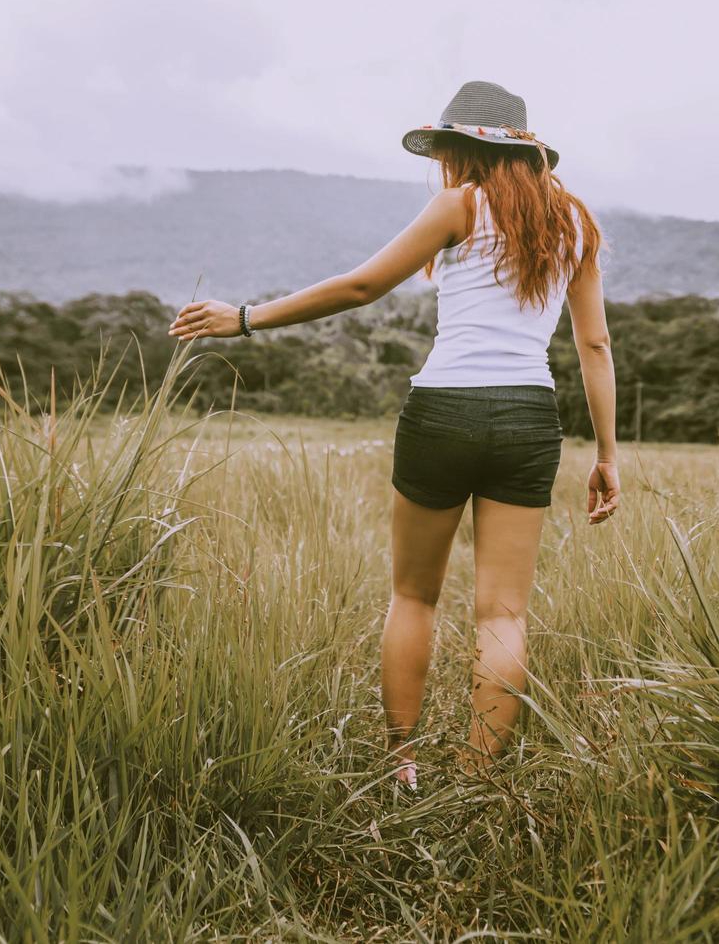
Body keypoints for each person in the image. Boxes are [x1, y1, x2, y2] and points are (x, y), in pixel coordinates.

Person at [170, 80, 621, 787]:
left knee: (413, 596)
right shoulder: (576, 224)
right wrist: (607, 456)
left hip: (443, 411)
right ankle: (473, 778)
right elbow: (593, 346)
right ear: (525, 148)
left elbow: (360, 287)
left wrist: (246, 319)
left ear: (459, 148)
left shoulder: (457, 204)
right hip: (529, 418)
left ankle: (400, 763)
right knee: (502, 614)